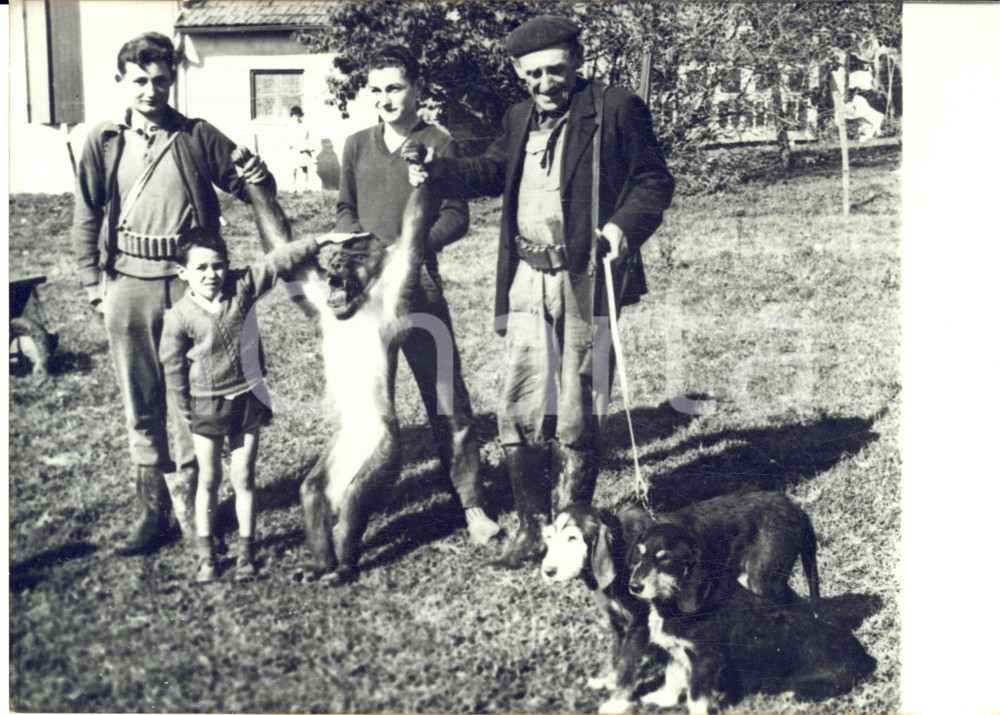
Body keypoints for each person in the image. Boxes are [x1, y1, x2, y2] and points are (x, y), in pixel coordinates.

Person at [407, 16, 674, 568]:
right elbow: (490, 172)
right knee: (520, 399)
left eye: (556, 70)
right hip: (528, 277)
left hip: (586, 276)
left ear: (577, 62)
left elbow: (654, 181)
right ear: (518, 73)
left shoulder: (615, 109)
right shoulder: (518, 116)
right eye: (533, 74)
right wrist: (440, 169)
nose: (546, 83)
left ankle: (570, 527)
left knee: (578, 404)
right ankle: (532, 528)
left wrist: (623, 226)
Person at [71, 32, 292, 556]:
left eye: (161, 80)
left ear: (173, 80)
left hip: (189, 288)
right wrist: (91, 283)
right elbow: (86, 212)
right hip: (127, 283)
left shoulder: (196, 135)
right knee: (140, 397)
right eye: (140, 80)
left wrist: (261, 177)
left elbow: (254, 185)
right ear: (122, 80)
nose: (151, 90)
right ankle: (153, 511)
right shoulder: (104, 141)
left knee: (192, 395)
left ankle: (199, 508)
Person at [336, 45, 500, 545]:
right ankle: (355, 507)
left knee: (446, 395)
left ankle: (471, 505)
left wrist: (409, 249)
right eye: (377, 89)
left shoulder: (437, 142)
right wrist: (361, 252)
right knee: (369, 402)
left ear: (417, 91)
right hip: (365, 288)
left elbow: (456, 216)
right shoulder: (356, 145)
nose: (385, 98)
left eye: (395, 88)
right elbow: (345, 209)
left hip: (418, 285)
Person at [159, 227, 364, 582]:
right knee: (208, 479)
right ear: (183, 273)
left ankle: (245, 554)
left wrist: (321, 239)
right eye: (201, 268)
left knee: (244, 477)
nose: (212, 275)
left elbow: (276, 260)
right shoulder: (177, 317)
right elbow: (173, 369)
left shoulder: (242, 287)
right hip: (206, 407)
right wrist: (188, 413)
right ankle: (207, 555)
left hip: (248, 399)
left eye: (218, 266)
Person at [288, 106, 313, 192]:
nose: (296, 118)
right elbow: (289, 139)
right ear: (292, 116)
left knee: (304, 168)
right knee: (293, 168)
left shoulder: (304, 126)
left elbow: (306, 137)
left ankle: (305, 186)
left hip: (303, 150)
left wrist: (307, 148)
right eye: (294, 116)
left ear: (300, 116)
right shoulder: (291, 127)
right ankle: (293, 186)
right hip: (295, 150)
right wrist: (291, 146)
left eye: (298, 115)